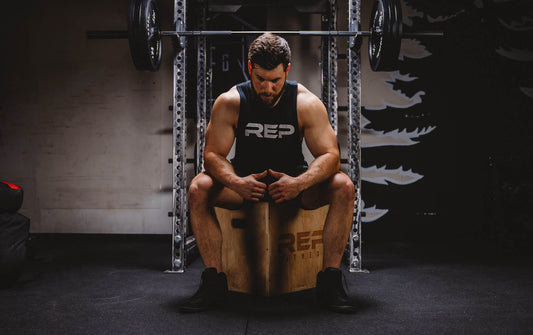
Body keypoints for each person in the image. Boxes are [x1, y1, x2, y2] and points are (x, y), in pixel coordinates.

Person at [179, 33, 356, 313]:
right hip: (245, 184)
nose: (268, 89)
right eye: (260, 79)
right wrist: (237, 182)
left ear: (287, 69)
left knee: (343, 186)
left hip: (294, 185)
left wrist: (299, 183)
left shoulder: (305, 104)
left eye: (275, 80)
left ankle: (330, 283)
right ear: (250, 68)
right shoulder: (230, 102)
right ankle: (213, 282)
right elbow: (212, 156)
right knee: (198, 188)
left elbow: (331, 156)